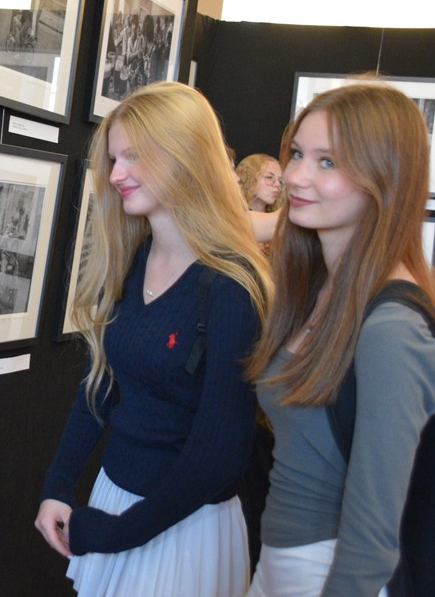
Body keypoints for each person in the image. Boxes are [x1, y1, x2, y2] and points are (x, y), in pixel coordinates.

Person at [34, 81, 272, 596]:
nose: (116, 175)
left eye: (133, 157)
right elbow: (101, 386)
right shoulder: (137, 260)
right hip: (116, 502)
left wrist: (119, 533)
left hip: (182, 529)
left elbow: (220, 456)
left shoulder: (230, 290)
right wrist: (58, 484)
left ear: (186, 156)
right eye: (115, 158)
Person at [244, 82, 435, 596]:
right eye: (299, 154)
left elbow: (372, 538)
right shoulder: (320, 290)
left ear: (384, 177)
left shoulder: (392, 329)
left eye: (329, 163)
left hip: (329, 571)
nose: (298, 177)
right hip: (278, 561)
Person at [237, 154, 284, 253]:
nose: (277, 184)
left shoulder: (276, 217)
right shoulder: (235, 217)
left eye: (280, 180)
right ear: (249, 178)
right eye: (269, 177)